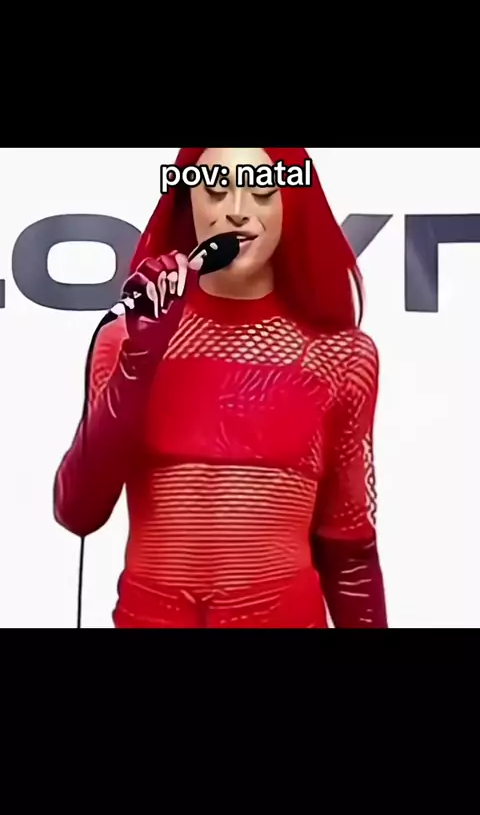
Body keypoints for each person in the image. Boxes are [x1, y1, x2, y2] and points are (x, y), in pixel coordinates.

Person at [53, 147, 388, 628]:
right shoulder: (124, 340)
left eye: (262, 190)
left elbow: (349, 548)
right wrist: (141, 359)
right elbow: (78, 510)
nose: (237, 209)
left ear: (291, 204)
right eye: (215, 189)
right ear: (187, 200)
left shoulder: (341, 356)